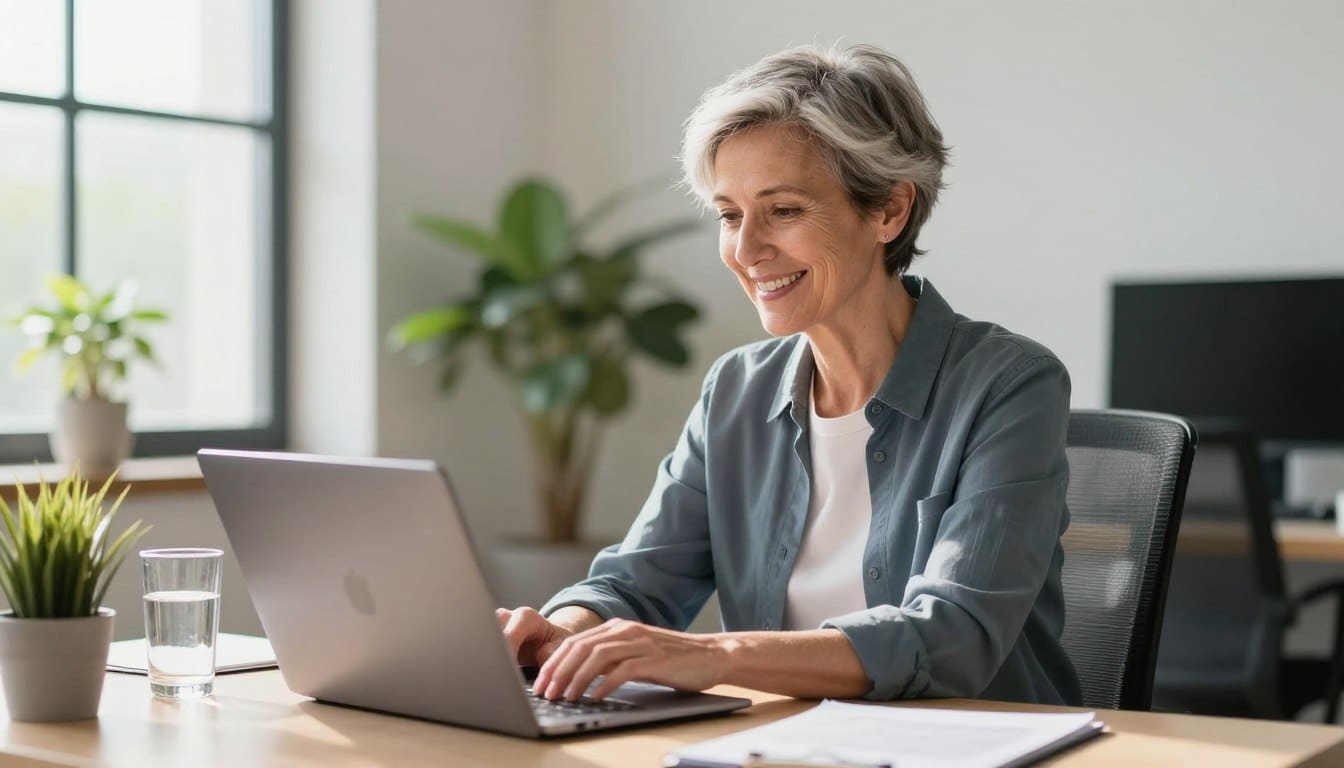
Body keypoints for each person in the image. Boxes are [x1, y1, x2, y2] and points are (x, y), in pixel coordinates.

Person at [497, 43, 1083, 707]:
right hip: (780, 747)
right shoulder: (736, 390)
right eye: (728, 215)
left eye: (784, 210)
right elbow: (637, 583)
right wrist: (561, 632)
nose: (746, 251)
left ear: (888, 210)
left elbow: (951, 636)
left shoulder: (1010, 384)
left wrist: (709, 654)